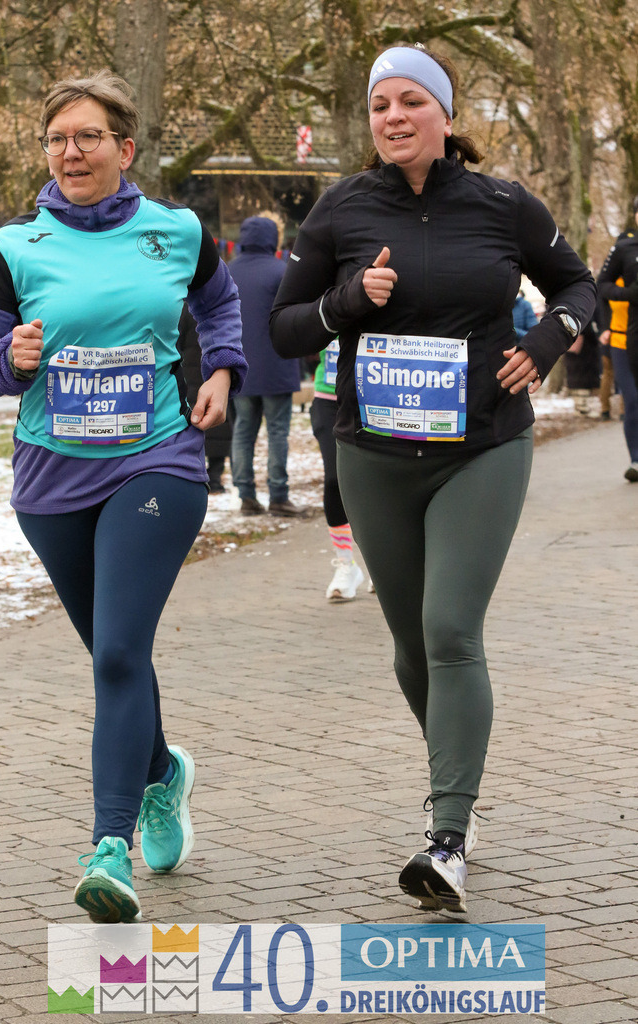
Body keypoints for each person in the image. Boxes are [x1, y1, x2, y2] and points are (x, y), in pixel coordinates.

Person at [270, 43, 595, 913]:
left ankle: (445, 835)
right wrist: (347, 303)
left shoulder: (503, 204)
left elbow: (577, 286)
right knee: (412, 646)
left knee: (450, 628)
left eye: (411, 101)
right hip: (373, 456)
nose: (394, 117)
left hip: (481, 447)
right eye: (380, 105)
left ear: (445, 115)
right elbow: (284, 328)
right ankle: (457, 779)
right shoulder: (341, 209)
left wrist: (544, 341)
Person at [0, 70, 247, 923]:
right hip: (51, 480)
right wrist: (10, 360)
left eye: (87, 137)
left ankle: (107, 846)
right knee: (111, 653)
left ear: (125, 147)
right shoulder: (16, 247)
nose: (70, 152)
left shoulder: (176, 231)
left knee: (119, 652)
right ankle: (161, 773)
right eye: (56, 139)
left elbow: (219, 304)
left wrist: (222, 371)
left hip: (155, 462)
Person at [229, 216, 305, 517]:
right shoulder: (282, 271)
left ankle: (246, 495)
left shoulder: (228, 271)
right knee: (277, 432)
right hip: (277, 366)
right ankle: (278, 495)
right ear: (272, 239)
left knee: (243, 430)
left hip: (239, 368)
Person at [311, 339, 367, 600]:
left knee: (376, 482)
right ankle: (346, 563)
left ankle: (385, 563)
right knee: (334, 479)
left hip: (373, 393)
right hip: (328, 396)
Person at [597, 205, 638, 480]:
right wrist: (604, 328)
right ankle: (636, 460)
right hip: (623, 339)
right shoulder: (623, 255)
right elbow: (601, 291)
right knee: (632, 399)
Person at [177, 303, 235, 492]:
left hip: (190, 375)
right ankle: (216, 476)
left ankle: (198, 472)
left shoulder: (184, 307)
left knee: (196, 422)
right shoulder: (218, 308)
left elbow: (177, 342)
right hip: (216, 373)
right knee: (219, 424)